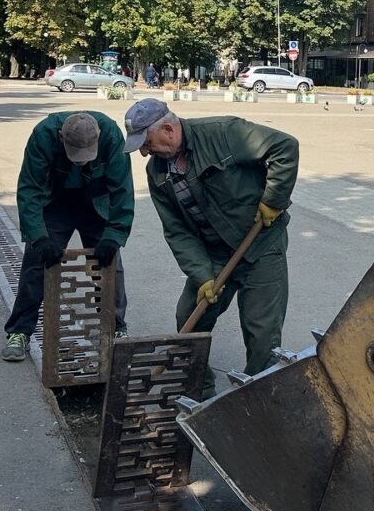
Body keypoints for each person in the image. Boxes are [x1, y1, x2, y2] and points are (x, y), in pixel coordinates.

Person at [122, 98, 298, 396]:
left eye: (146, 143)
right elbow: (177, 231)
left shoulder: (223, 133)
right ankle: (199, 395)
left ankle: (254, 404)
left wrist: (274, 200)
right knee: (189, 316)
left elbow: (285, 147)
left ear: (167, 129)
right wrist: (202, 274)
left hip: (260, 246)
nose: (143, 152)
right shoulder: (158, 174)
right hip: (215, 253)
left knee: (262, 335)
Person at [2, 111, 132, 362]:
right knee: (36, 264)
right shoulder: (43, 135)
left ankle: (116, 329)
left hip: (96, 202)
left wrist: (114, 235)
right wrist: (39, 237)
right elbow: (29, 189)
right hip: (57, 201)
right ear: (61, 137)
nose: (81, 162)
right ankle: (20, 331)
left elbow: (122, 189)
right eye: (76, 155)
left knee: (109, 266)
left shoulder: (111, 135)